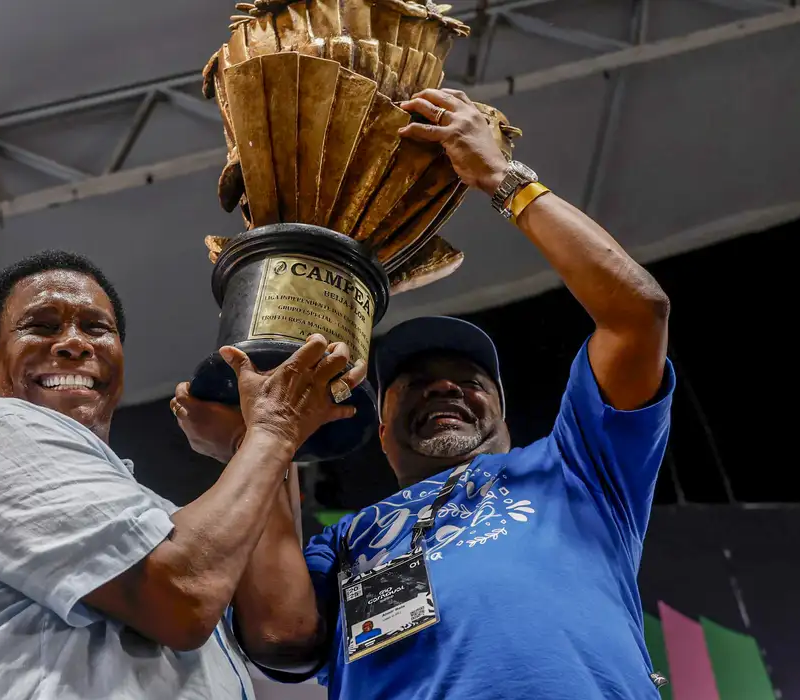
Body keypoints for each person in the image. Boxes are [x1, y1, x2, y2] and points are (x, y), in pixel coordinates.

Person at [175, 87, 675, 699]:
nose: (444, 385)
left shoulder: (577, 470)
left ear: (504, 412)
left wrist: (504, 179)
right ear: (380, 428)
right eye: (414, 382)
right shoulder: (350, 541)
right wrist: (257, 436)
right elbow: (281, 636)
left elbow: (637, 314)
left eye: (470, 381)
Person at [0, 250, 365, 699]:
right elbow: (184, 596)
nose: (75, 343)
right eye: (42, 326)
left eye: (97, 328)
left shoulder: (160, 520)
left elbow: (283, 633)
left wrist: (247, 444)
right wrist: (272, 430)